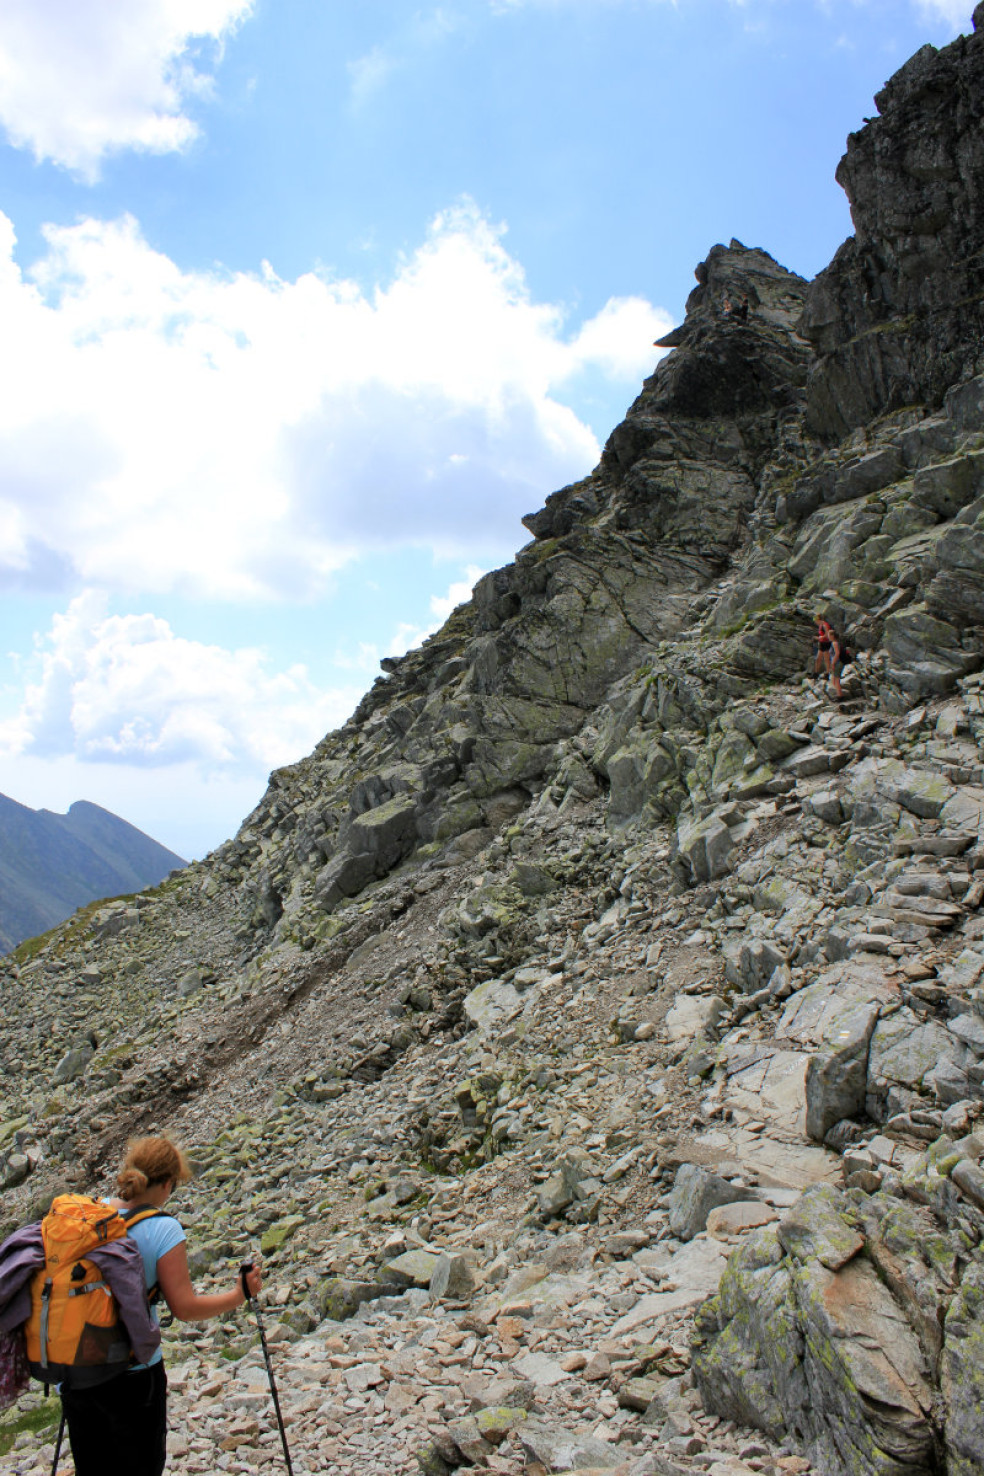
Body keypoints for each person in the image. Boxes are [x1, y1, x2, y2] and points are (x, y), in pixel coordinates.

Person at [60, 1136, 263, 1476]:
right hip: (135, 1375)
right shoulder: (163, 1228)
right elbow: (184, 1308)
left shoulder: (86, 1215)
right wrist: (238, 1295)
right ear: (168, 1183)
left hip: (78, 1369)